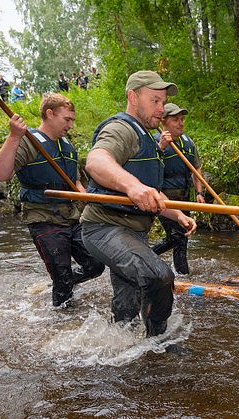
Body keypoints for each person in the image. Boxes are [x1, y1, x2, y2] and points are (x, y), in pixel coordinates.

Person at [80, 70, 196, 337]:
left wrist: (178, 215)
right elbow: (96, 161)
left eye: (163, 101)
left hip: (133, 233)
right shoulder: (121, 129)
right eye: (155, 101)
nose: (161, 108)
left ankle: (127, 356)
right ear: (133, 97)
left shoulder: (149, 139)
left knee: (126, 312)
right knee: (159, 277)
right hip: (104, 229)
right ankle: (158, 341)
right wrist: (132, 186)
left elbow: (154, 194)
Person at [0, 93, 105, 307]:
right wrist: (14, 137)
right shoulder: (28, 142)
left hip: (72, 217)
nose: (70, 125)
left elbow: (76, 180)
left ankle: (63, 283)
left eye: (72, 120)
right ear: (50, 114)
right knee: (62, 275)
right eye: (67, 119)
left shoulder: (67, 146)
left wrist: (85, 198)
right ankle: (62, 318)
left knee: (96, 264)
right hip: (43, 218)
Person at [151, 103, 205, 275]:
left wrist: (199, 192)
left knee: (180, 238)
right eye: (175, 120)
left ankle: (146, 257)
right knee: (179, 237)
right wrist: (161, 147)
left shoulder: (188, 142)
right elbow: (148, 169)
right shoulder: (154, 142)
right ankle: (184, 276)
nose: (181, 123)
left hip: (185, 198)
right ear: (164, 121)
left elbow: (196, 169)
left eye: (182, 119)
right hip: (164, 199)